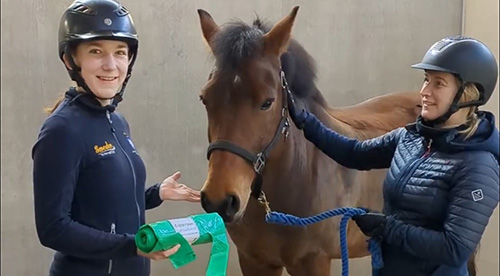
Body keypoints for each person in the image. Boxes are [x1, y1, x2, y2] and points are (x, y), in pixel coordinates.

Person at [287, 35, 499, 276]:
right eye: (426, 80)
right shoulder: (411, 138)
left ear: (469, 93)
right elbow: (354, 153)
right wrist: (305, 122)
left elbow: (454, 248)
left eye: (438, 84)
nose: (424, 92)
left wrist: (386, 228)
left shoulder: (479, 166)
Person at [31, 1, 201, 275]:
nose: (110, 65)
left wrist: (156, 193)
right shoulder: (61, 131)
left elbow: (102, 204)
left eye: (120, 52)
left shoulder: (117, 121)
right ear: (70, 59)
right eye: (96, 51)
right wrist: (132, 246)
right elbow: (53, 229)